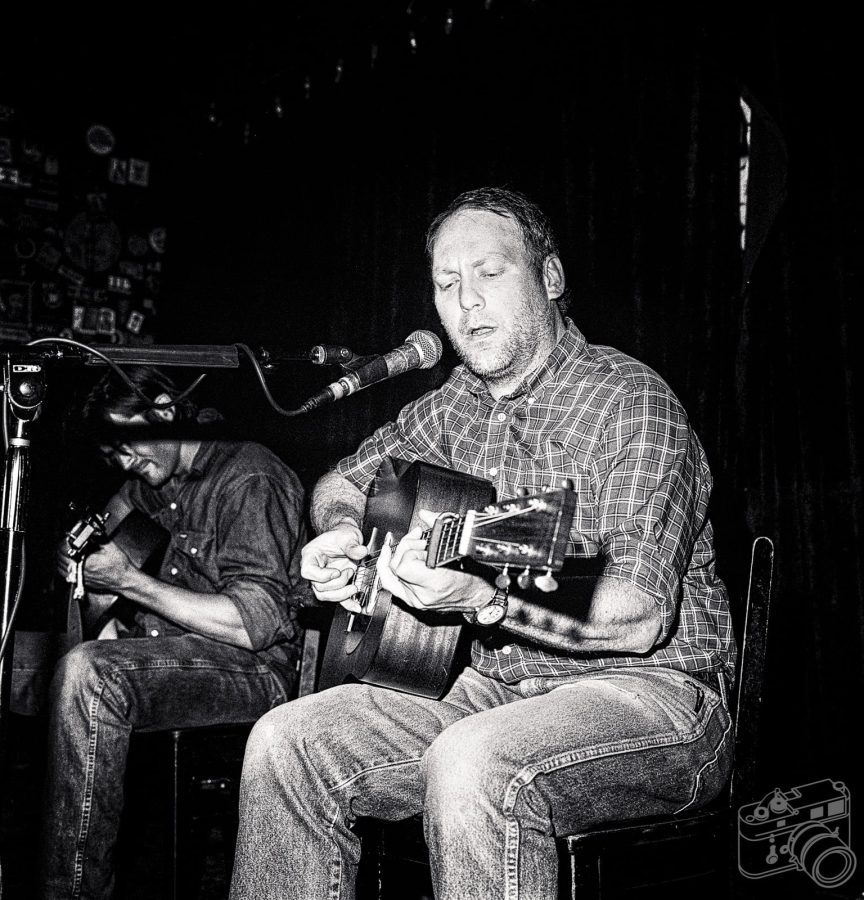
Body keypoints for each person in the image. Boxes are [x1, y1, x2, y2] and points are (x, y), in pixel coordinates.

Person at [229, 187, 735, 900]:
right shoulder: (450, 405)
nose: (467, 301)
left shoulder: (631, 400)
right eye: (447, 283)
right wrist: (343, 532)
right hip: (498, 691)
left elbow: (640, 611)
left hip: (655, 698)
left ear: (551, 279)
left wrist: (489, 600)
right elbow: (340, 482)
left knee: (473, 761)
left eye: (490, 274)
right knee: (286, 742)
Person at [39, 366, 308, 900]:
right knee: (58, 658)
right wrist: (84, 578)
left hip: (259, 672)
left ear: (165, 408)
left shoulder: (248, 474)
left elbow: (254, 623)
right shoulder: (146, 483)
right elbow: (91, 548)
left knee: (91, 675)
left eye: (128, 443)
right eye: (111, 453)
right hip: (175, 658)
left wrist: (130, 584)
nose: (124, 461)